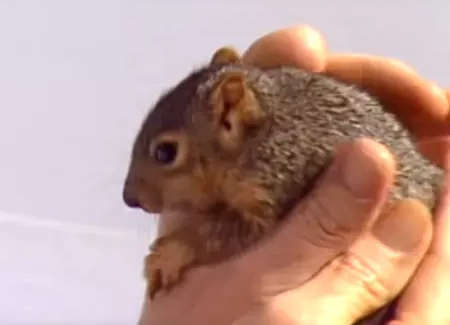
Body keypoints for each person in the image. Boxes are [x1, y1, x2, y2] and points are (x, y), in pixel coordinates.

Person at [138, 26, 450, 325]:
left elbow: (258, 229)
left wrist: (190, 245)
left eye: (167, 154)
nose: (132, 198)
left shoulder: (268, 162)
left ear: (230, 115)